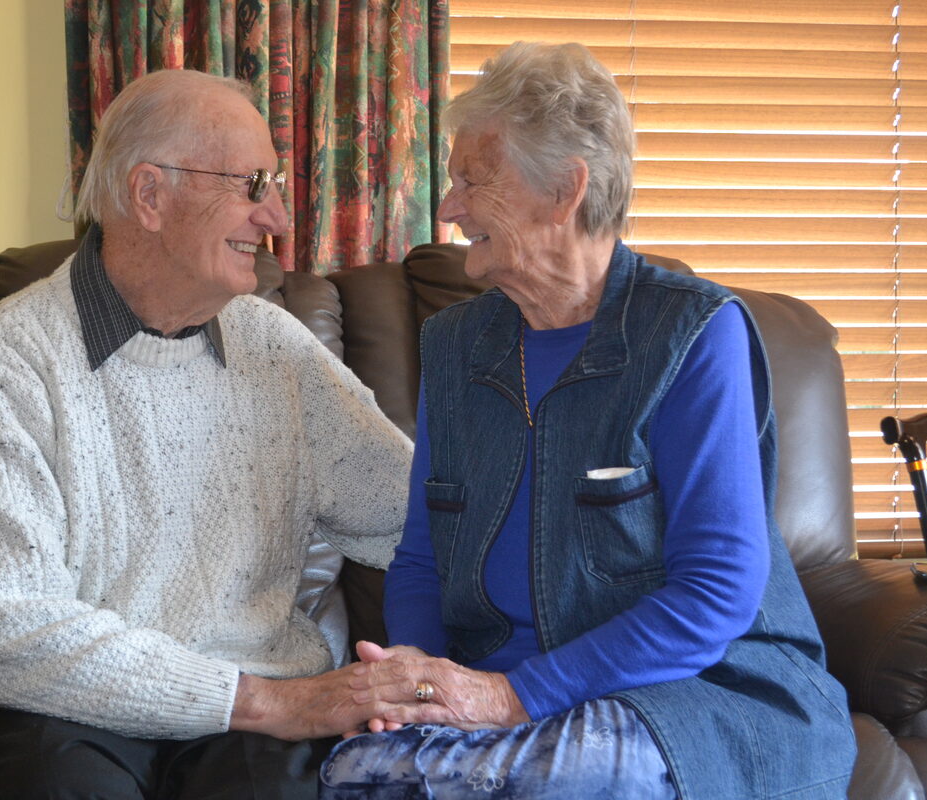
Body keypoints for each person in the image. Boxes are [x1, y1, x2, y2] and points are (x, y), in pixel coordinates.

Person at [321, 42, 857, 799]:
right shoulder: (454, 346)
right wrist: (412, 688)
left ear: (564, 190)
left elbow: (717, 592)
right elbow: (422, 560)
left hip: (696, 696)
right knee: (358, 770)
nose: (449, 206)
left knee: (581, 771)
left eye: (474, 178)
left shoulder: (691, 335)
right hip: (506, 706)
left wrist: (511, 698)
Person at [0, 69, 413, 799]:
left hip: (247, 723)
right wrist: (264, 701)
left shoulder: (277, 348)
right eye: (251, 184)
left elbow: (416, 516)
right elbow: (10, 634)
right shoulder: (2, 360)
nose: (273, 217)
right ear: (150, 195)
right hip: (48, 713)